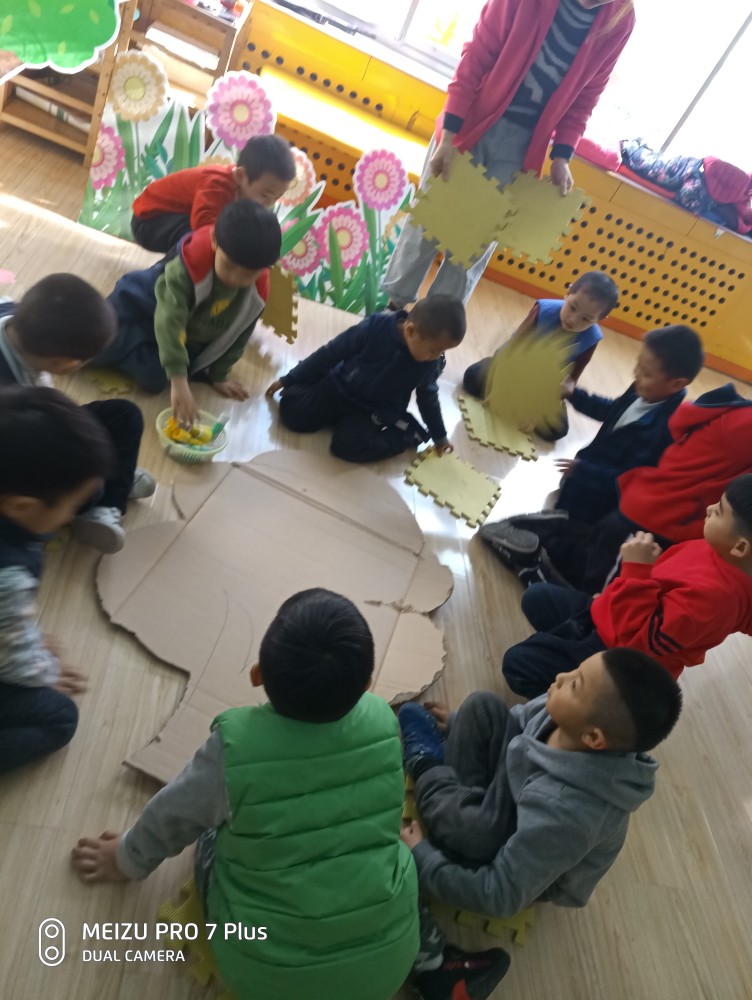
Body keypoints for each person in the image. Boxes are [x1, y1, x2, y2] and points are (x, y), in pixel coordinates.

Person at [71, 589, 419, 1000]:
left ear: (258, 675)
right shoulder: (384, 722)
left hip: (263, 970)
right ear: (367, 686)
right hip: (385, 968)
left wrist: (126, 858)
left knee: (211, 828)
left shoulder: (235, 749)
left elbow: (173, 816)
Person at [399, 647, 682, 1000]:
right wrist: (459, 724)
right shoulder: (561, 713)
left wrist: (425, 860)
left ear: (593, 738)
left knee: (471, 831)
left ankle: (425, 762)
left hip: (528, 858)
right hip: (521, 791)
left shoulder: (568, 813)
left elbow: (500, 896)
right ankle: (451, 792)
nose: (561, 677)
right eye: (575, 669)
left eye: (575, 684)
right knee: (482, 706)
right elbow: (515, 723)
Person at [382, 0, 636, 308]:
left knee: (473, 248)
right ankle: (390, 313)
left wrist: (561, 155)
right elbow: (475, 58)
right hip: (470, 125)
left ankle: (436, 326)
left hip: (523, 147)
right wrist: (449, 137)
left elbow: (585, 98)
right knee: (427, 225)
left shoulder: (620, 18)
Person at [481, 324, 705, 586]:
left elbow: (630, 479)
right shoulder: (641, 389)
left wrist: (584, 471)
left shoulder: (667, 429)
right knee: (559, 512)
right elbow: (611, 410)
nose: (636, 374)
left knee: (560, 536)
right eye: (638, 365)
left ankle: (555, 553)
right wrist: (576, 395)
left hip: (600, 497)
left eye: (646, 373)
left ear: (676, 384)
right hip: (586, 475)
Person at [501, 474, 752, 698]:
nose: (709, 508)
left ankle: (580, 712)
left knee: (517, 665)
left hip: (620, 658)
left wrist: (636, 571)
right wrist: (613, 595)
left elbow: (637, 643)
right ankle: (564, 653)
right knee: (536, 597)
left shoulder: (716, 601)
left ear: (740, 547)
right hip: (615, 616)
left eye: (719, 511)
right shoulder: (718, 550)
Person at [0, 386, 114, 774]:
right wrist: (42, 669)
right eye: (71, 507)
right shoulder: (9, 575)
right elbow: (12, 663)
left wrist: (20, 633)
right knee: (60, 718)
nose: (70, 517)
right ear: (20, 505)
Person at [0, 274, 156, 553]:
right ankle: (108, 487)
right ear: (66, 363)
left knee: (125, 414)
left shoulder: (15, 316)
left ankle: (112, 491)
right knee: (88, 489)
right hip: (15, 454)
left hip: (40, 421)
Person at [92, 200, 282, 426]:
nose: (235, 278)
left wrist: (218, 376)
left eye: (248, 275)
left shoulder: (256, 295)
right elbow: (169, 320)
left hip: (183, 339)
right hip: (144, 312)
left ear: (264, 269)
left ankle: (131, 346)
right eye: (229, 266)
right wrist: (179, 380)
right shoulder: (188, 266)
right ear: (214, 241)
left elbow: (239, 337)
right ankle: (115, 339)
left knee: (155, 379)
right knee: (96, 343)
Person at [266, 295, 465, 463]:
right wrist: (291, 378)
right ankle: (317, 382)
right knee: (292, 411)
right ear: (410, 330)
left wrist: (440, 437)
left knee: (346, 446)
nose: (437, 357)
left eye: (442, 352)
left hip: (373, 411)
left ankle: (407, 434)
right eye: (434, 350)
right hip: (339, 387)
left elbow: (428, 400)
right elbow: (331, 352)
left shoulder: (429, 365)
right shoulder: (375, 326)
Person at [463, 270, 619, 439]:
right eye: (573, 307)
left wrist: (538, 411)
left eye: (586, 319)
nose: (573, 319)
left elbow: (569, 381)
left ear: (600, 319)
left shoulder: (592, 338)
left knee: (557, 430)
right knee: (473, 378)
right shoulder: (543, 311)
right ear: (568, 293)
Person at [130, 134, 295, 253]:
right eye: (265, 195)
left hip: (174, 217)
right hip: (148, 221)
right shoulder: (217, 184)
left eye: (276, 198)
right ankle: (168, 276)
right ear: (240, 176)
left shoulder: (245, 189)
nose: (269, 203)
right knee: (200, 240)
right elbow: (204, 223)